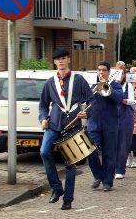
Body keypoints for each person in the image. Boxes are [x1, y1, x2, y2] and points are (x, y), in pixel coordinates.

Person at [38, 48, 94, 210]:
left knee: (70, 163)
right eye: (58, 59)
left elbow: (91, 100)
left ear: (69, 60)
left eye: (63, 58)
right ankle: (56, 188)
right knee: (44, 152)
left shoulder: (79, 80)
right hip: (54, 124)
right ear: (54, 62)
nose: (61, 61)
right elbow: (43, 105)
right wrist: (43, 118)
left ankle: (68, 198)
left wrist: (86, 112)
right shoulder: (50, 82)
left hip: (73, 125)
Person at [87, 61, 123, 192]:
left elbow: (119, 99)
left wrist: (107, 87)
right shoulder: (92, 85)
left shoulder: (115, 85)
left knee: (109, 154)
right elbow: (86, 101)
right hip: (94, 123)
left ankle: (107, 181)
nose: (101, 72)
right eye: (99, 70)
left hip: (110, 124)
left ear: (109, 72)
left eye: (104, 70)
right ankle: (98, 175)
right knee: (91, 151)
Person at [115, 65, 135, 179]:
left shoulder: (128, 85)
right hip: (112, 116)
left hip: (125, 116)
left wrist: (122, 100)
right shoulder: (110, 85)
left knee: (123, 143)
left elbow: (133, 101)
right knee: (113, 143)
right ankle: (113, 167)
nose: (119, 76)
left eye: (121, 73)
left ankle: (120, 169)